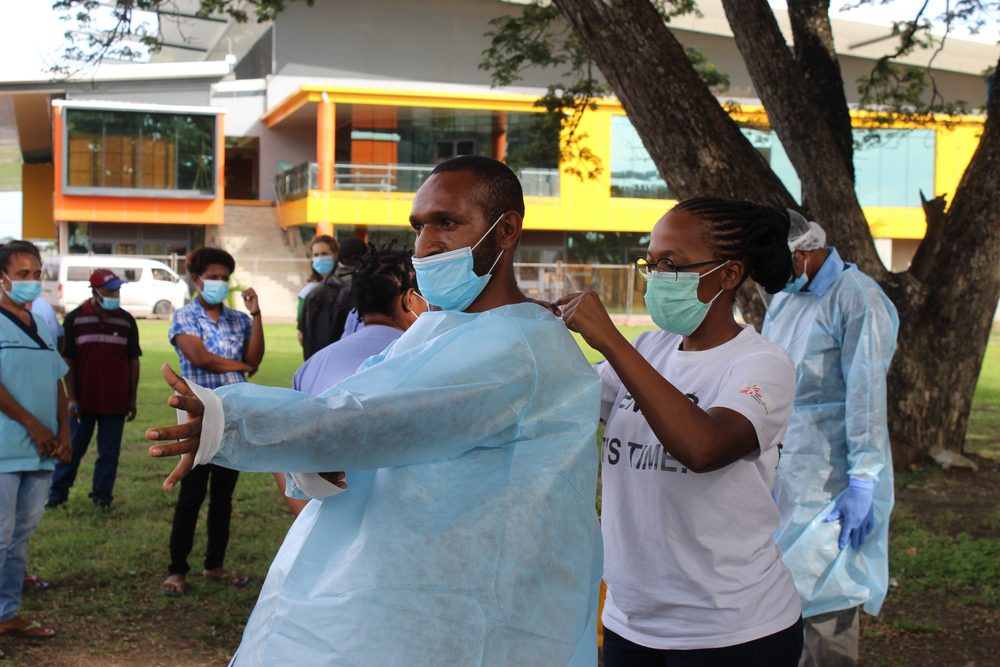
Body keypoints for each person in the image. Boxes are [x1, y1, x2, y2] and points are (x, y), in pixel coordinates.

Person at [146, 156, 603, 666]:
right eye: (418, 226)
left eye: (446, 223)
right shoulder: (436, 332)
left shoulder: (518, 344)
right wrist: (321, 456)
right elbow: (357, 426)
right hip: (389, 585)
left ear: (507, 230)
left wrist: (230, 420)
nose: (427, 244)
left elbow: (370, 419)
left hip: (463, 604)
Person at [557, 198, 804, 665]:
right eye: (651, 264)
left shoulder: (761, 364)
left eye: (673, 264)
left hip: (732, 632)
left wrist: (610, 341)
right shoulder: (650, 348)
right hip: (631, 624)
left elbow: (702, 447)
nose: (658, 277)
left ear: (729, 275)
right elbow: (562, 401)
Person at [762, 212, 898, 667]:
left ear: (803, 253)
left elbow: (866, 396)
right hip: (786, 472)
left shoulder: (857, 299)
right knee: (781, 601)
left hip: (835, 479)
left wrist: (864, 478)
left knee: (829, 597)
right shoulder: (785, 298)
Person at [275, 245, 427, 516]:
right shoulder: (423, 360)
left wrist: (307, 519)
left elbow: (283, 454)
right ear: (409, 300)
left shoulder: (311, 366)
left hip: (325, 527)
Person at [161, 247, 264, 597]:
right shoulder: (184, 318)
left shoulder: (240, 320)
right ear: (196, 279)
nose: (219, 283)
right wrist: (240, 367)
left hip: (234, 417)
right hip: (198, 418)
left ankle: (214, 564)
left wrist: (258, 314)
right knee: (191, 495)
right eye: (213, 277)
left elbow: (255, 358)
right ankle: (177, 570)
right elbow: (200, 359)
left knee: (224, 496)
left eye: (224, 278)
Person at [0, 241, 70, 641]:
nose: (31, 282)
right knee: (0, 536)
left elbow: (57, 381)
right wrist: (33, 425)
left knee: (20, 538)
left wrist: (63, 432)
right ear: (3, 279)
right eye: (22, 275)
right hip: (7, 447)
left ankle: (8, 613)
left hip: (42, 453)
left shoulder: (41, 325)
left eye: (36, 274)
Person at [47, 269, 141, 510]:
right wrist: (71, 397)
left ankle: (102, 496)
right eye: (110, 291)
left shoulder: (126, 320)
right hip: (82, 402)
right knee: (72, 449)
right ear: (95, 292)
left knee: (109, 453)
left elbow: (133, 360)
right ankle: (57, 494)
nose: (115, 295)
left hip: (115, 401)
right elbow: (66, 360)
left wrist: (132, 398)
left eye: (117, 290)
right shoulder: (75, 319)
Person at [298, 235, 367, 359]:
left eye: (324, 254)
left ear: (337, 255)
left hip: (317, 365)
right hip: (349, 364)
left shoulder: (312, 294)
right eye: (316, 255)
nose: (320, 259)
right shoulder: (366, 292)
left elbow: (303, 336)